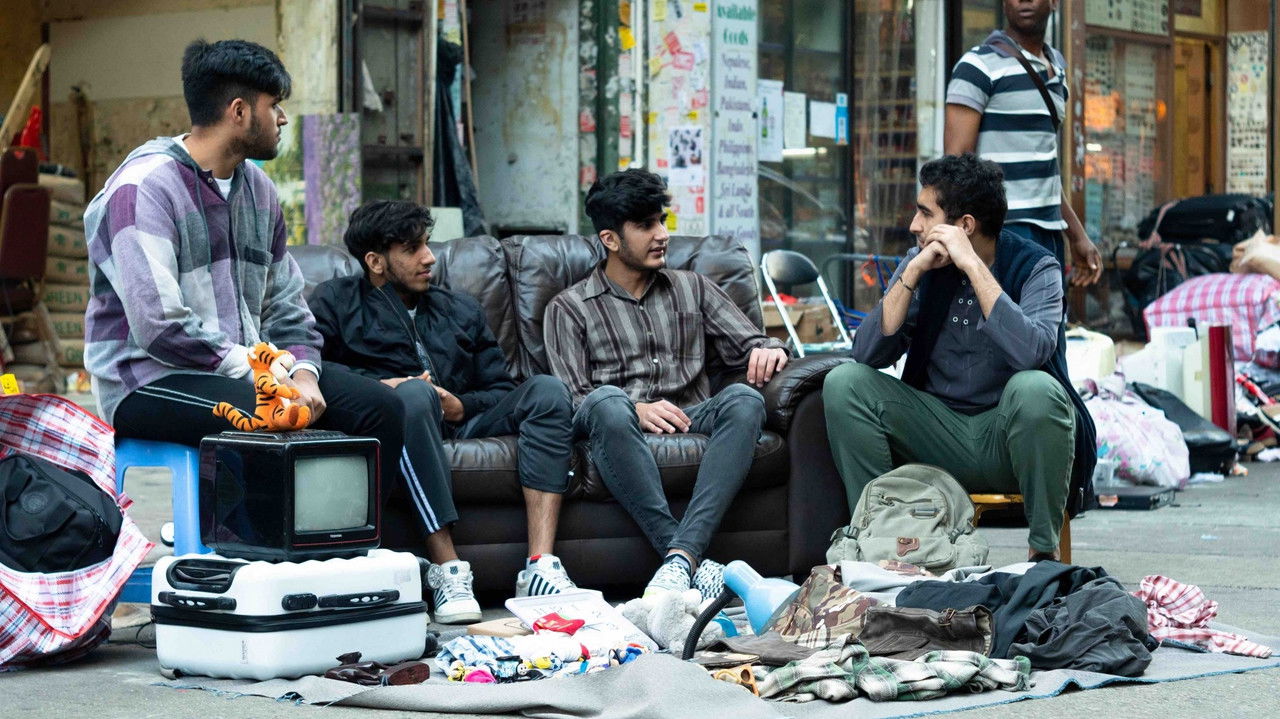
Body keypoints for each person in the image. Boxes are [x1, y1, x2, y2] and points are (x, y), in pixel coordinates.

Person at [83, 39, 409, 615]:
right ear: (239, 111)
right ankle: (263, 579)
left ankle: (340, 564)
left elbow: (288, 308)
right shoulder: (143, 188)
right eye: (273, 105)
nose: (282, 118)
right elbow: (158, 324)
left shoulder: (259, 191)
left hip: (253, 371)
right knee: (264, 418)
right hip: (147, 379)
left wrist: (303, 373)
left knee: (378, 408)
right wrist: (266, 373)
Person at [308, 200, 577, 623]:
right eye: (412, 248)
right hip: (397, 419)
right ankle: (447, 569)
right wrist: (383, 388)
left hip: (465, 421)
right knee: (415, 395)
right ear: (375, 262)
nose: (429, 257)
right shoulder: (335, 302)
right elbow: (314, 372)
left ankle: (540, 566)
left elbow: (500, 389)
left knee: (547, 390)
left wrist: (460, 406)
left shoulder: (460, 308)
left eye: (427, 244)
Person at [822, 154, 1095, 561]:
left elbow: (1031, 352)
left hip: (1010, 442)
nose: (914, 225)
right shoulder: (923, 263)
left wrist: (971, 264)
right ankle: (880, 537)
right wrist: (912, 274)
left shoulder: (1038, 267)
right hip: (934, 435)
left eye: (925, 213)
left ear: (964, 226)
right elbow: (866, 353)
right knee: (845, 383)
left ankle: (1043, 554)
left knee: (1036, 389)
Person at [543, 169, 790, 598]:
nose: (662, 235)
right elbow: (573, 398)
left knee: (744, 399)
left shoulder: (693, 288)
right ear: (610, 239)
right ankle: (684, 555)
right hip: (618, 421)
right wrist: (634, 409)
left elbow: (754, 342)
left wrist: (769, 348)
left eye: (662, 220)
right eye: (646, 225)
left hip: (692, 414)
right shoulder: (570, 307)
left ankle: (680, 559)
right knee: (606, 401)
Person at [944, 0, 1102, 287]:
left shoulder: (1058, 71)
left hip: (1049, 234)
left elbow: (1045, 167)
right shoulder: (977, 66)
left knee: (1048, 317)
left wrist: (1077, 234)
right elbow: (955, 166)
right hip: (1000, 233)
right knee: (1004, 317)